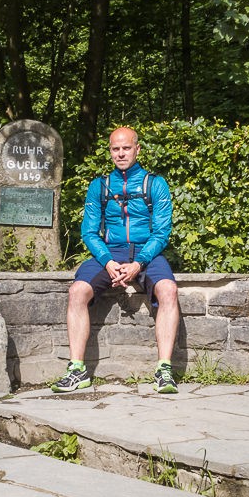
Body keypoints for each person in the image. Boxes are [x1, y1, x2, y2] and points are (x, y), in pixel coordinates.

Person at [53, 126, 180, 394]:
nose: (121, 153)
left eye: (126, 148)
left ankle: (164, 369)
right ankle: (77, 369)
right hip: (110, 251)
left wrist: (139, 263)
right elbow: (88, 232)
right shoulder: (99, 186)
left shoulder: (155, 184)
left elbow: (161, 232)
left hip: (148, 251)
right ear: (110, 151)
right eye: (115, 149)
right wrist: (108, 261)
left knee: (168, 290)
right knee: (77, 291)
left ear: (137, 149)